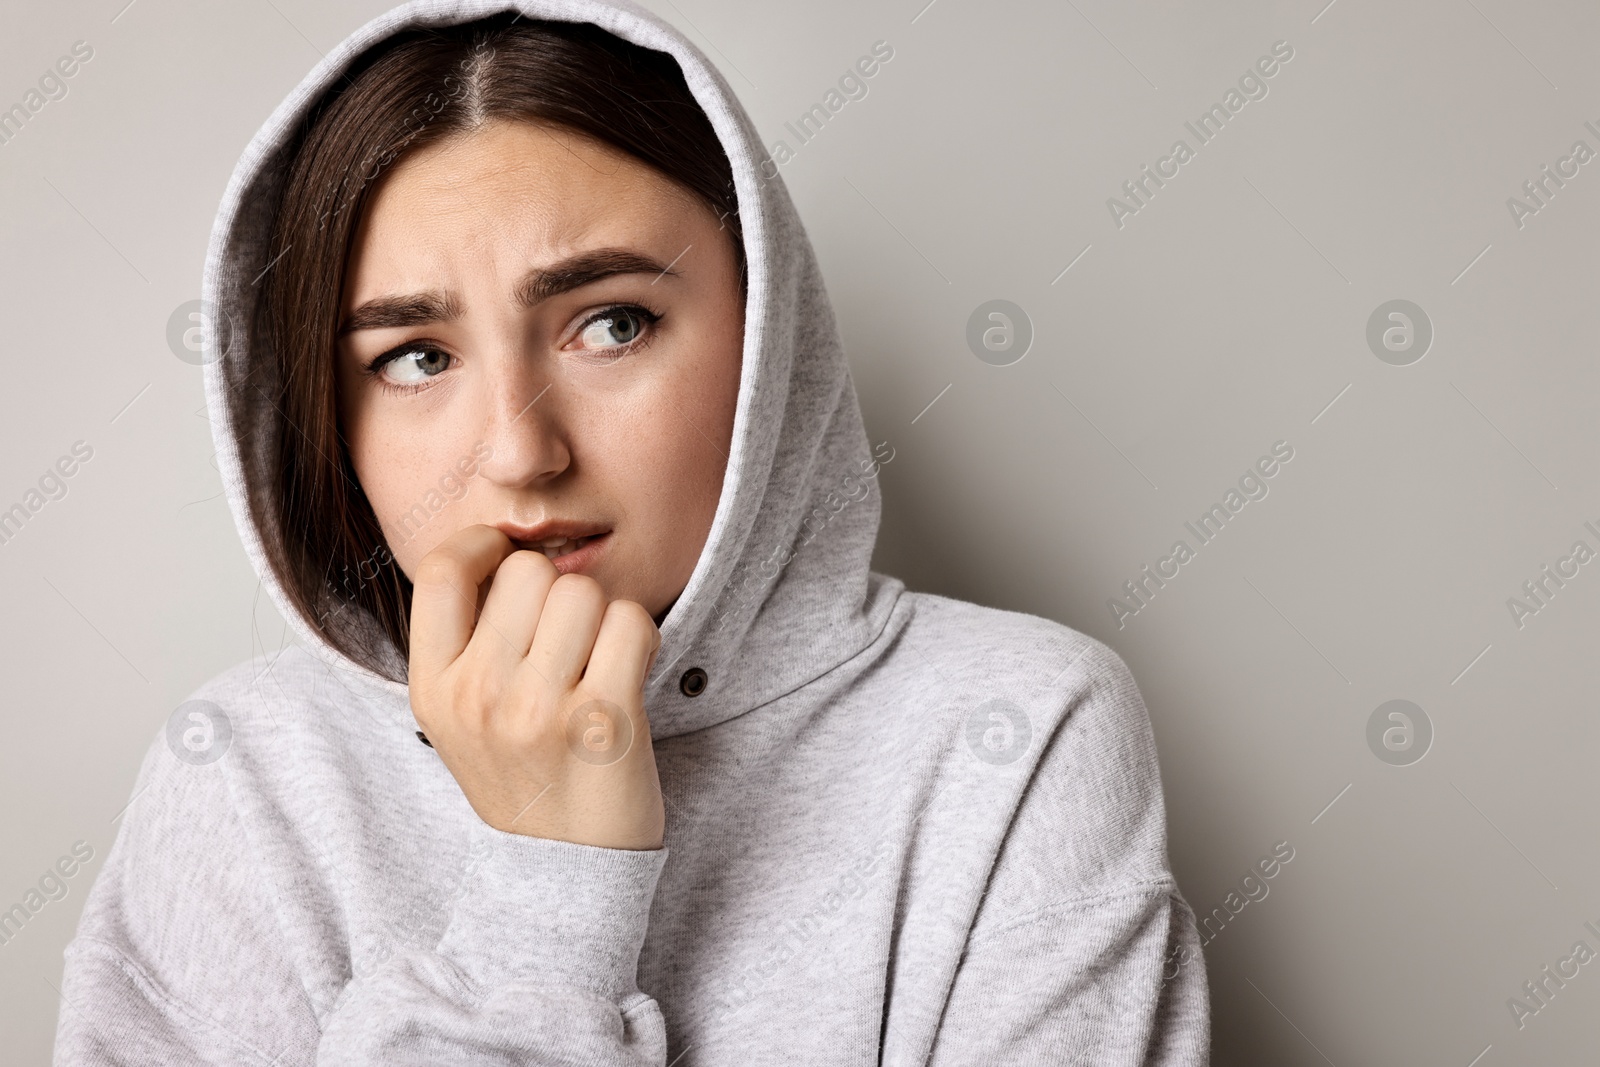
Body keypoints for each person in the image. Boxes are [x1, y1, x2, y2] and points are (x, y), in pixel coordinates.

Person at [54, 1, 1212, 1062]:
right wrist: (546, 891)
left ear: (770, 341)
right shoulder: (249, 775)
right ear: (327, 417)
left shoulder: (1012, 733)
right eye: (416, 357)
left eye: (611, 323)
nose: (519, 451)